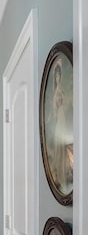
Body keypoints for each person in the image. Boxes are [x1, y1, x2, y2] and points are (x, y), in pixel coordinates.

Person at [48, 58, 73, 194]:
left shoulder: (61, 90)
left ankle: (66, 175)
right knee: (60, 147)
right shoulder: (56, 93)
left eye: (59, 76)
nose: (57, 78)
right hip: (60, 118)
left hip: (63, 117)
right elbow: (54, 109)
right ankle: (62, 178)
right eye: (56, 76)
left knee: (64, 148)